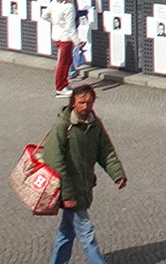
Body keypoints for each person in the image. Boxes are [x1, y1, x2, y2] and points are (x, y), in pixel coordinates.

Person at [37, 84, 127, 264]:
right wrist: (67, 195)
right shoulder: (63, 126)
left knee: (66, 232)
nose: (86, 106)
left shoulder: (94, 125)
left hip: (83, 187)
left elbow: (105, 151)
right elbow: (54, 161)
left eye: (90, 102)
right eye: (82, 102)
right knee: (86, 233)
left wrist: (117, 174)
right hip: (71, 190)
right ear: (73, 103)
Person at [47, 0, 85, 98]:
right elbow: (70, 27)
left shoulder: (53, 3)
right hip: (65, 39)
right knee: (63, 63)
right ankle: (60, 87)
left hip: (56, 36)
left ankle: (64, 84)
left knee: (66, 61)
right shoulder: (69, 7)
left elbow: (44, 15)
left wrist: (56, 23)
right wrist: (78, 42)